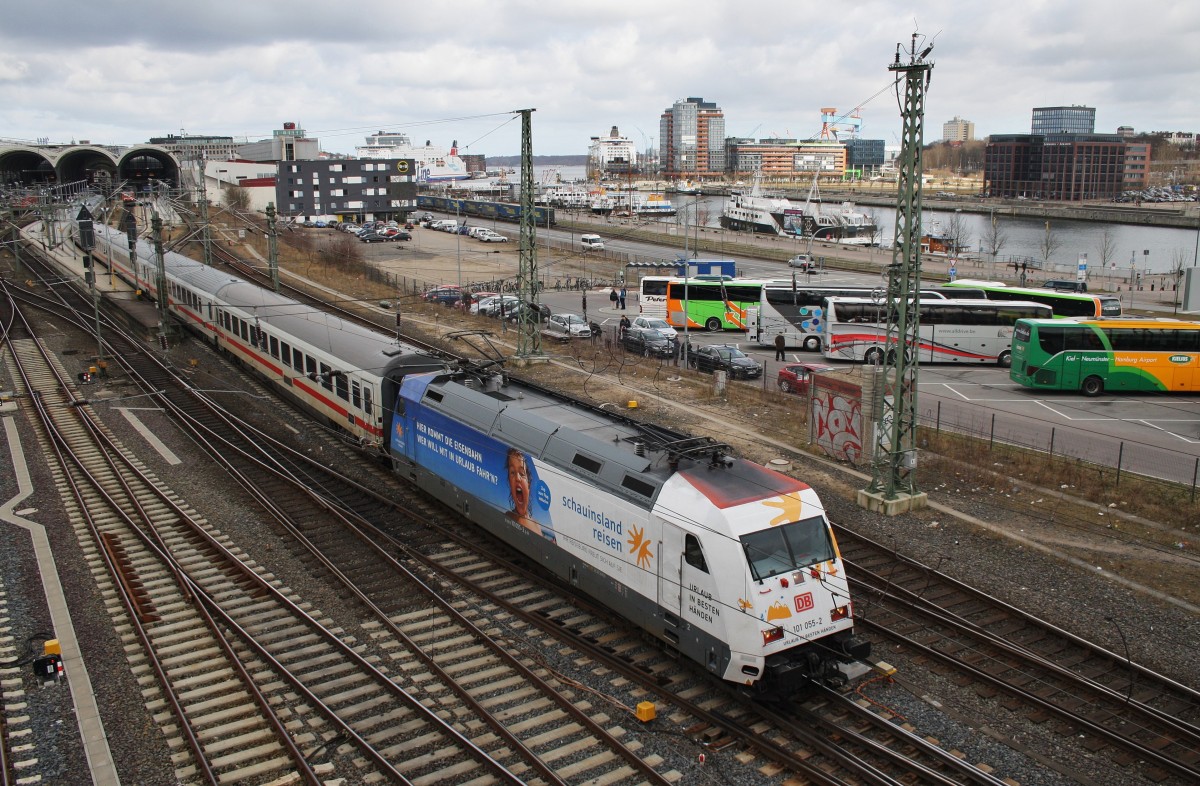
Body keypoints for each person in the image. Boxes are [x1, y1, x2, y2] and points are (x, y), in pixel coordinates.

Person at [506, 448, 555, 542]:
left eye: (522, 473)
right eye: (512, 473)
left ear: (528, 484)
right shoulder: (508, 516)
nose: (517, 478)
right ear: (510, 483)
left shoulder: (537, 525)